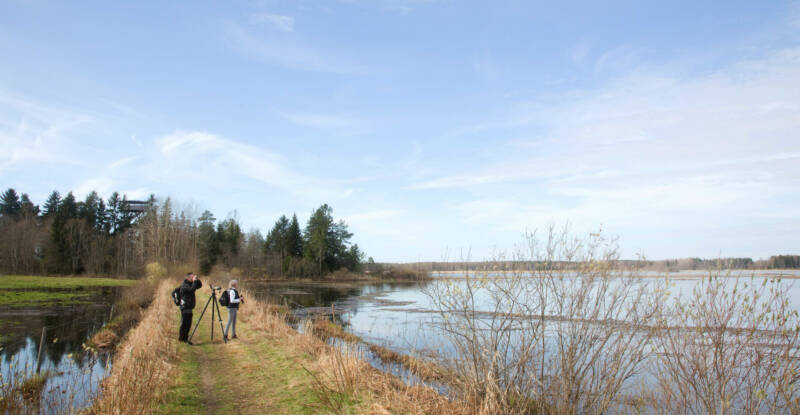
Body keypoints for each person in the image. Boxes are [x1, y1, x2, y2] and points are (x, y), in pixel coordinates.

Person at [178, 272, 202, 344]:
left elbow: (199, 286)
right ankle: (182, 338)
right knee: (185, 324)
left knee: (188, 324)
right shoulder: (184, 285)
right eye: (192, 277)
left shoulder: (190, 284)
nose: (193, 278)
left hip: (189, 307)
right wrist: (194, 281)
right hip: (185, 307)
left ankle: (185, 338)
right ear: (188, 278)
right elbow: (191, 289)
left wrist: (197, 280)